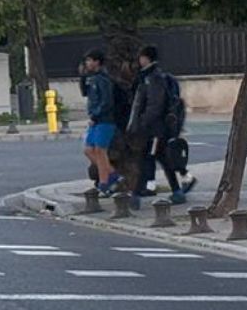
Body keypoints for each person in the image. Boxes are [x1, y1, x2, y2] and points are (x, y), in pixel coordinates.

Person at [127, 45, 196, 204]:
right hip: (154, 128)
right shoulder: (148, 77)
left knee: (149, 158)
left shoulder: (153, 78)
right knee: (160, 158)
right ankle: (177, 190)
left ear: (146, 58)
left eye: (141, 57)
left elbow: (154, 105)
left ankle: (137, 195)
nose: (139, 60)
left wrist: (143, 122)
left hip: (155, 129)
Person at [79, 49, 121, 194]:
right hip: (95, 119)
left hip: (105, 120)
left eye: (90, 60)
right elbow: (85, 93)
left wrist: (95, 115)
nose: (87, 63)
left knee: (100, 151)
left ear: (97, 62)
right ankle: (112, 174)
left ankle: (104, 183)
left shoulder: (104, 79)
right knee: (88, 150)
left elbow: (107, 101)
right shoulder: (91, 78)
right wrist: (82, 76)